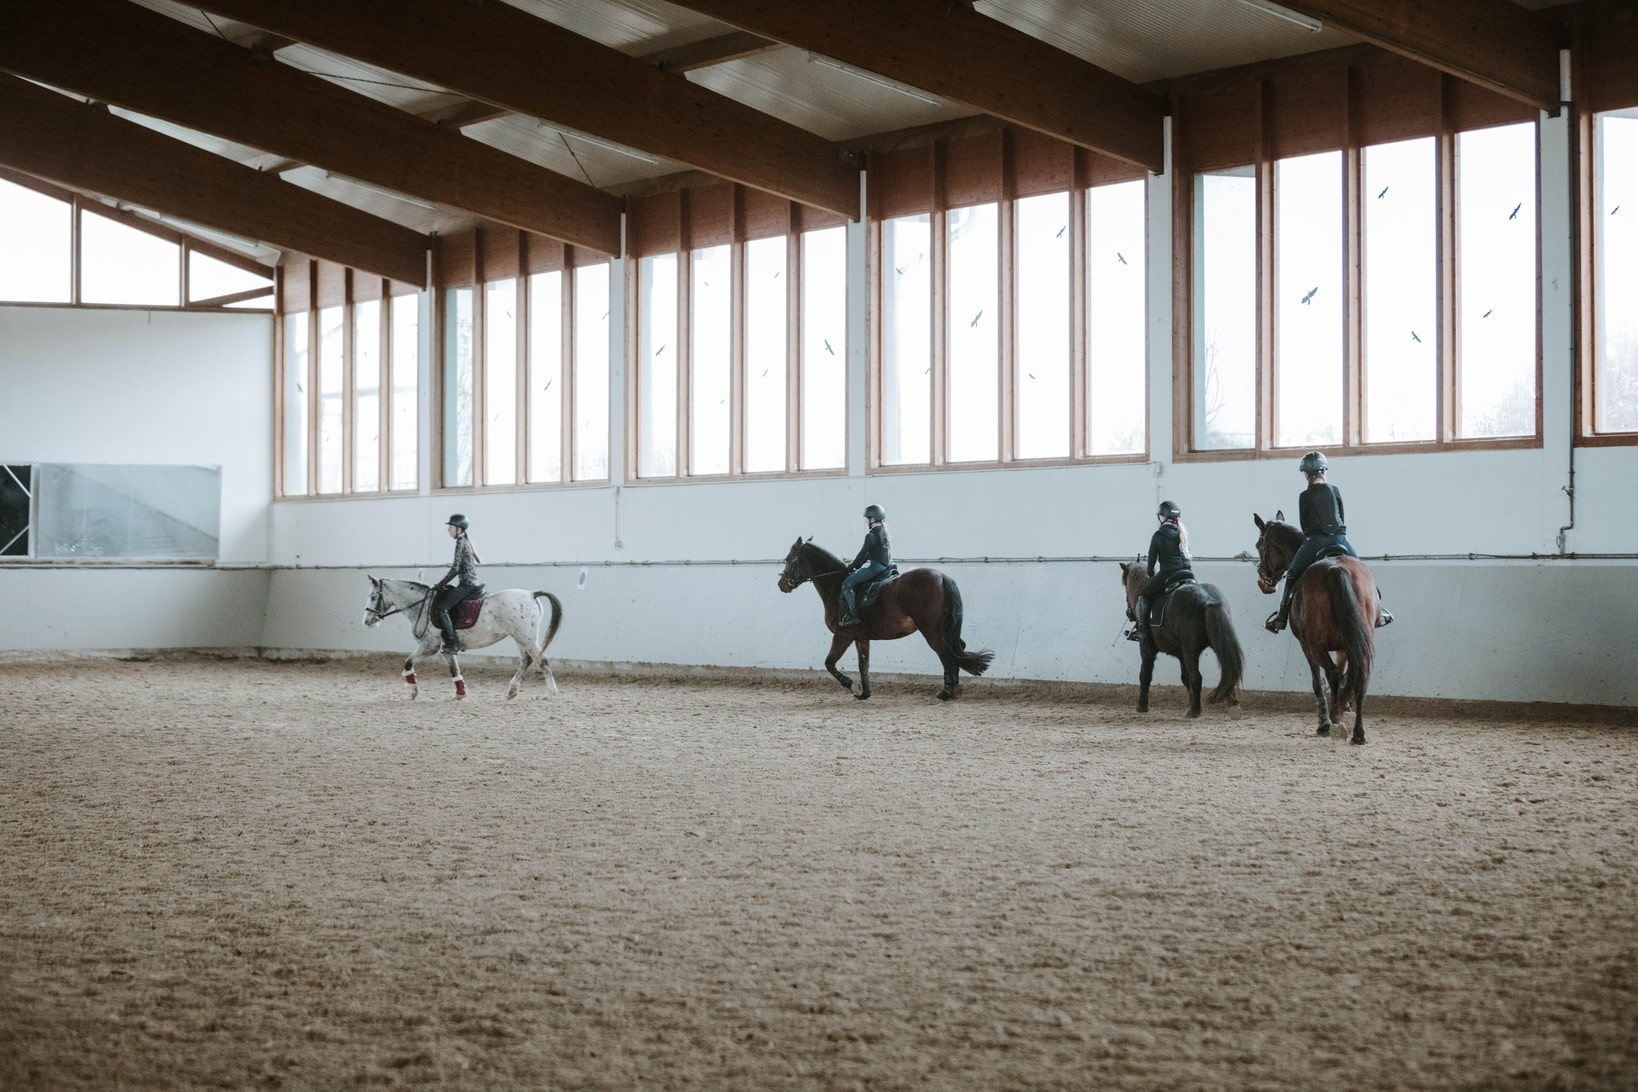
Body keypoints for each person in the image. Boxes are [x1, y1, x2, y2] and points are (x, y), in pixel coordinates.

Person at [1265, 451, 1393, 633]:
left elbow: (1305, 525)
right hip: (1339, 538)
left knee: (1292, 573)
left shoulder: (1304, 495)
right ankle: (1379, 611)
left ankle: (1281, 616)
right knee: (1363, 571)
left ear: (1306, 474)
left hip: (1315, 541)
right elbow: (1341, 516)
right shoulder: (1334, 490)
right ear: (1323, 470)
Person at [1127, 500, 1193, 642]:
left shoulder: (1158, 535)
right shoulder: (1183, 533)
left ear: (1163, 517)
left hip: (1168, 573)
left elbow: (1152, 558)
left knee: (1143, 596)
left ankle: (1142, 631)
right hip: (1188, 574)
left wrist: (1150, 572)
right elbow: (1187, 556)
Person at [432, 513, 483, 653]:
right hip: (469, 582)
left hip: (467, 584)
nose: (448, 530)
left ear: (459, 529)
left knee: (442, 608)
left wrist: (440, 584)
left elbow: (455, 569)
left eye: (451, 527)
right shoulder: (464, 541)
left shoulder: (460, 542)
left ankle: (453, 643)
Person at [837, 504, 891, 628]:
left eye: (866, 519)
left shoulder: (871, 535)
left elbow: (862, 554)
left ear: (872, 520)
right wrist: (857, 566)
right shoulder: (882, 532)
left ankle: (852, 615)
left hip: (876, 567)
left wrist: (851, 567)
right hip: (886, 566)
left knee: (847, 583)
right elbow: (868, 554)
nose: (865, 521)